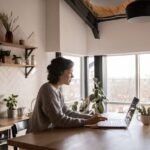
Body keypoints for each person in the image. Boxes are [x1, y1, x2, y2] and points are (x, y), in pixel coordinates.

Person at [27, 57, 107, 133]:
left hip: (49, 134)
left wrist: (90, 117)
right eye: (70, 72)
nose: (72, 76)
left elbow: (66, 112)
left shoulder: (56, 90)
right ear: (60, 72)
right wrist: (87, 121)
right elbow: (59, 120)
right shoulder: (48, 89)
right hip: (37, 137)